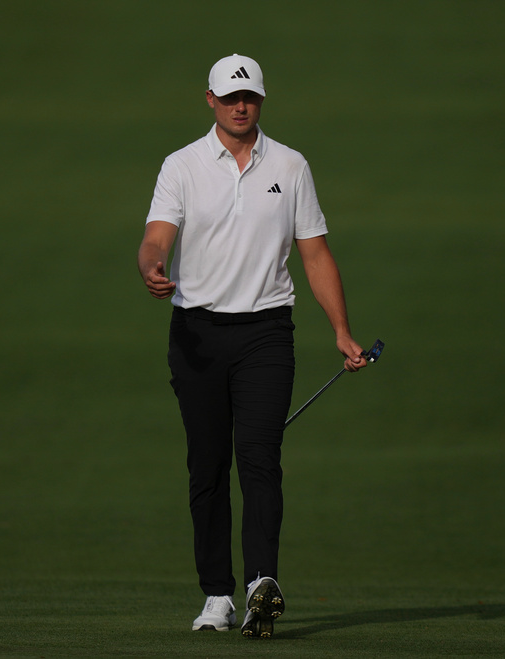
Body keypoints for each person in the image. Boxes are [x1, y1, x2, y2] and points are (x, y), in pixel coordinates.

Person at [137, 53, 368, 639]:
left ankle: (262, 584)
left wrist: (341, 330)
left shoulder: (289, 166)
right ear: (210, 99)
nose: (242, 107)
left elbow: (314, 252)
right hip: (197, 335)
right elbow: (156, 236)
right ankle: (217, 595)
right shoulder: (182, 165)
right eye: (231, 97)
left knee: (260, 458)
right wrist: (152, 266)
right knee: (207, 466)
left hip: (267, 332)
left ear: (261, 101)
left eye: (251, 98)